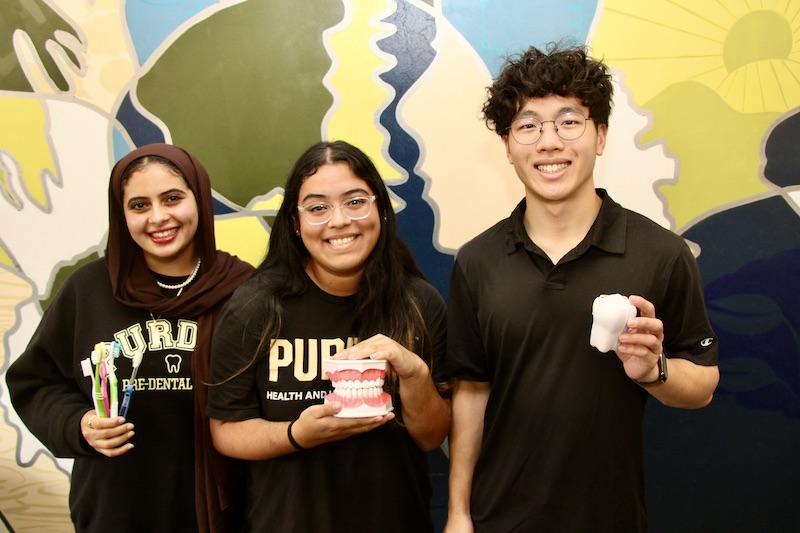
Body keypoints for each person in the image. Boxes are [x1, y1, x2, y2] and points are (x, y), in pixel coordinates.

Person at [444, 44, 720, 532]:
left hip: (609, 517)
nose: (549, 142)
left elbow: (702, 386)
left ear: (601, 136)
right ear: (507, 146)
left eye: (569, 122)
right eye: (528, 126)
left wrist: (652, 371)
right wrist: (459, 514)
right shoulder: (477, 262)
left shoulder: (661, 253)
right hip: (497, 519)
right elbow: (471, 391)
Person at [6, 143, 254, 532]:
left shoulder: (244, 290)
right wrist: (79, 424)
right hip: (116, 510)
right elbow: (36, 381)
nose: (158, 217)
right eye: (139, 205)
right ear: (121, 214)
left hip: (225, 513)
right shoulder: (89, 289)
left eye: (172, 198)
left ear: (200, 199)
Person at [207, 140, 450, 532]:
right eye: (318, 208)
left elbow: (431, 437)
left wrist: (414, 373)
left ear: (380, 210)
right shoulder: (255, 306)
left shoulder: (419, 302)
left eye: (355, 202)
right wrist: (297, 435)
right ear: (295, 222)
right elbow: (226, 432)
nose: (339, 221)